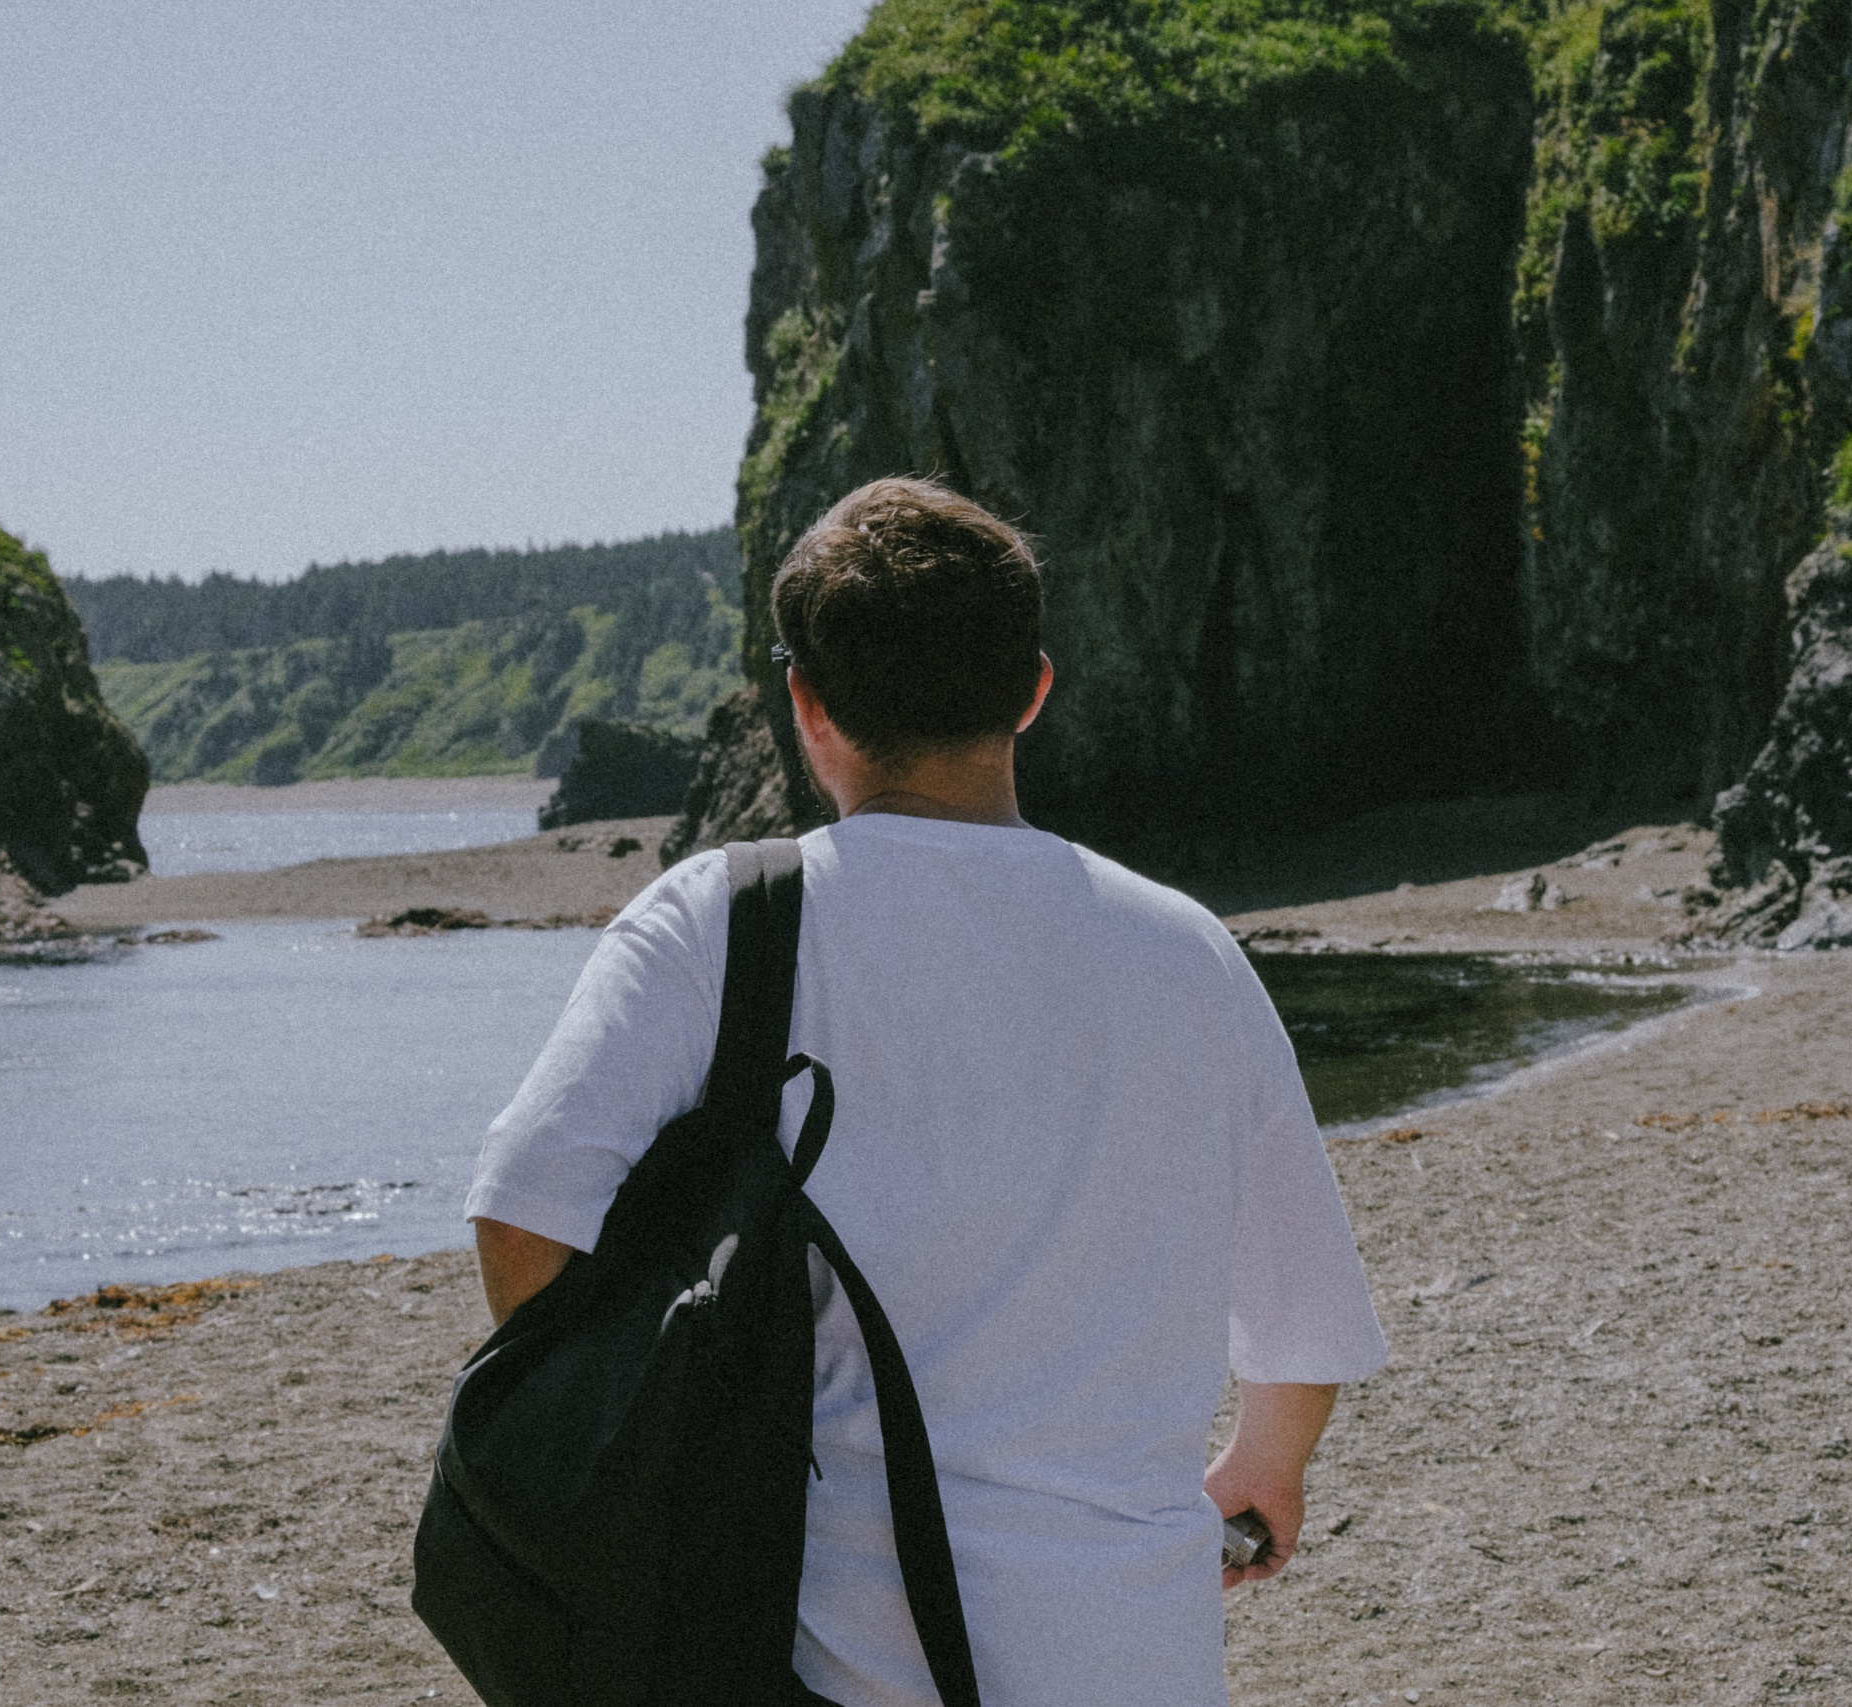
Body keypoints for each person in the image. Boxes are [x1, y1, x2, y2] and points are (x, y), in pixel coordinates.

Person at [464, 476, 1388, 1707]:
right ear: (1034, 688)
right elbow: (1303, 1305)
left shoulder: (722, 921)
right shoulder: (1186, 950)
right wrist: (1267, 1463)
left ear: (806, 703)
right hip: (1134, 1656)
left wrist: (640, 1466)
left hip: (817, 1653)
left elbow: (525, 1211)